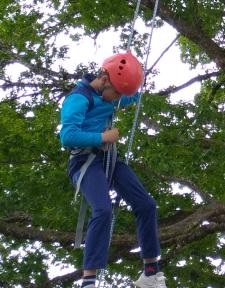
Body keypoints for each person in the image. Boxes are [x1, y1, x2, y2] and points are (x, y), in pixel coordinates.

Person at [60, 52, 166, 288]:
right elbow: (67, 136)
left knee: (146, 205)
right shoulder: (79, 98)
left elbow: (131, 96)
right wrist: (102, 137)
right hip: (84, 163)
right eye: (116, 93)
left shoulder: (112, 93)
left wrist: (138, 78)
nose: (117, 99)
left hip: (110, 159)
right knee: (103, 210)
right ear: (104, 79)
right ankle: (89, 280)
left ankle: (150, 273)